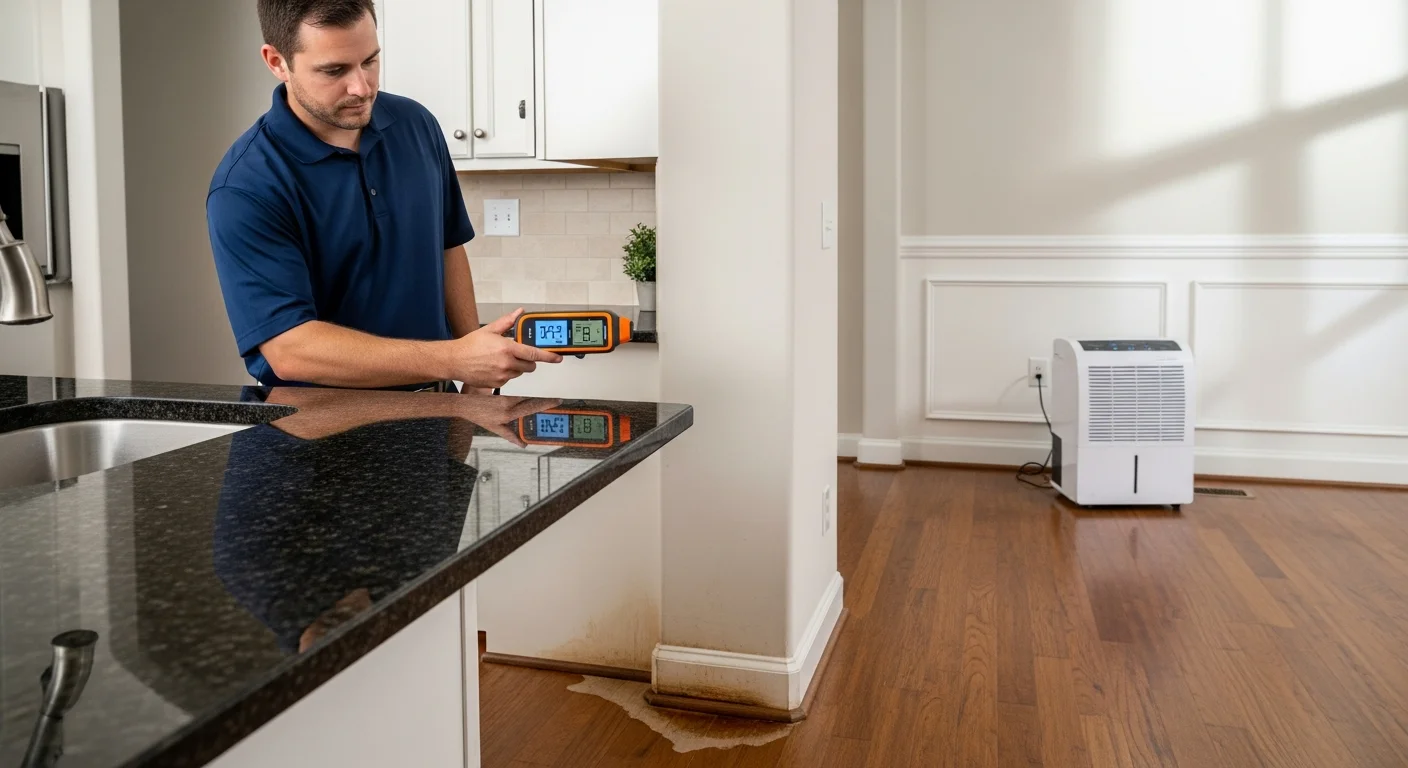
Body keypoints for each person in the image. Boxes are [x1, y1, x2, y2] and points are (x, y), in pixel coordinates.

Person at [205, 0, 561, 391]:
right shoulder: (247, 185)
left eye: (370, 61)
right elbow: (290, 349)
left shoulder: (417, 125)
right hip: (318, 421)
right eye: (334, 70)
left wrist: (475, 377)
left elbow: (447, 247)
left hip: (438, 404)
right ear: (277, 62)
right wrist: (454, 359)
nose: (361, 87)